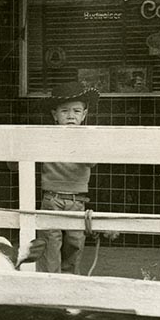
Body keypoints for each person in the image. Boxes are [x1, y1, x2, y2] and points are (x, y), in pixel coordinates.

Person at [36, 81, 99, 274]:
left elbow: (92, 162)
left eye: (76, 111)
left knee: (75, 243)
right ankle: (50, 286)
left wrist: (77, 141)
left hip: (77, 199)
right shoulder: (46, 136)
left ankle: (70, 284)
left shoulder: (88, 137)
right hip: (52, 197)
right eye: (64, 111)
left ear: (84, 115)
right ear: (54, 115)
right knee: (50, 243)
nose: (71, 116)